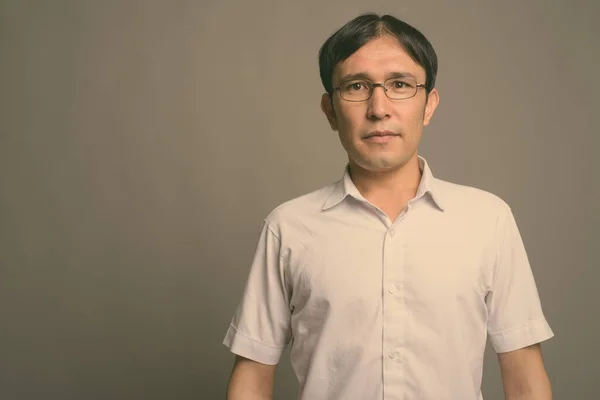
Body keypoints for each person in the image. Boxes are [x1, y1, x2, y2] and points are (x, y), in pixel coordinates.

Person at [223, 12, 554, 400]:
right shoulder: (288, 227)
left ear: (429, 105)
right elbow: (253, 375)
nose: (379, 108)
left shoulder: (488, 220)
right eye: (356, 86)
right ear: (330, 110)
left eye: (400, 84)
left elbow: (524, 373)